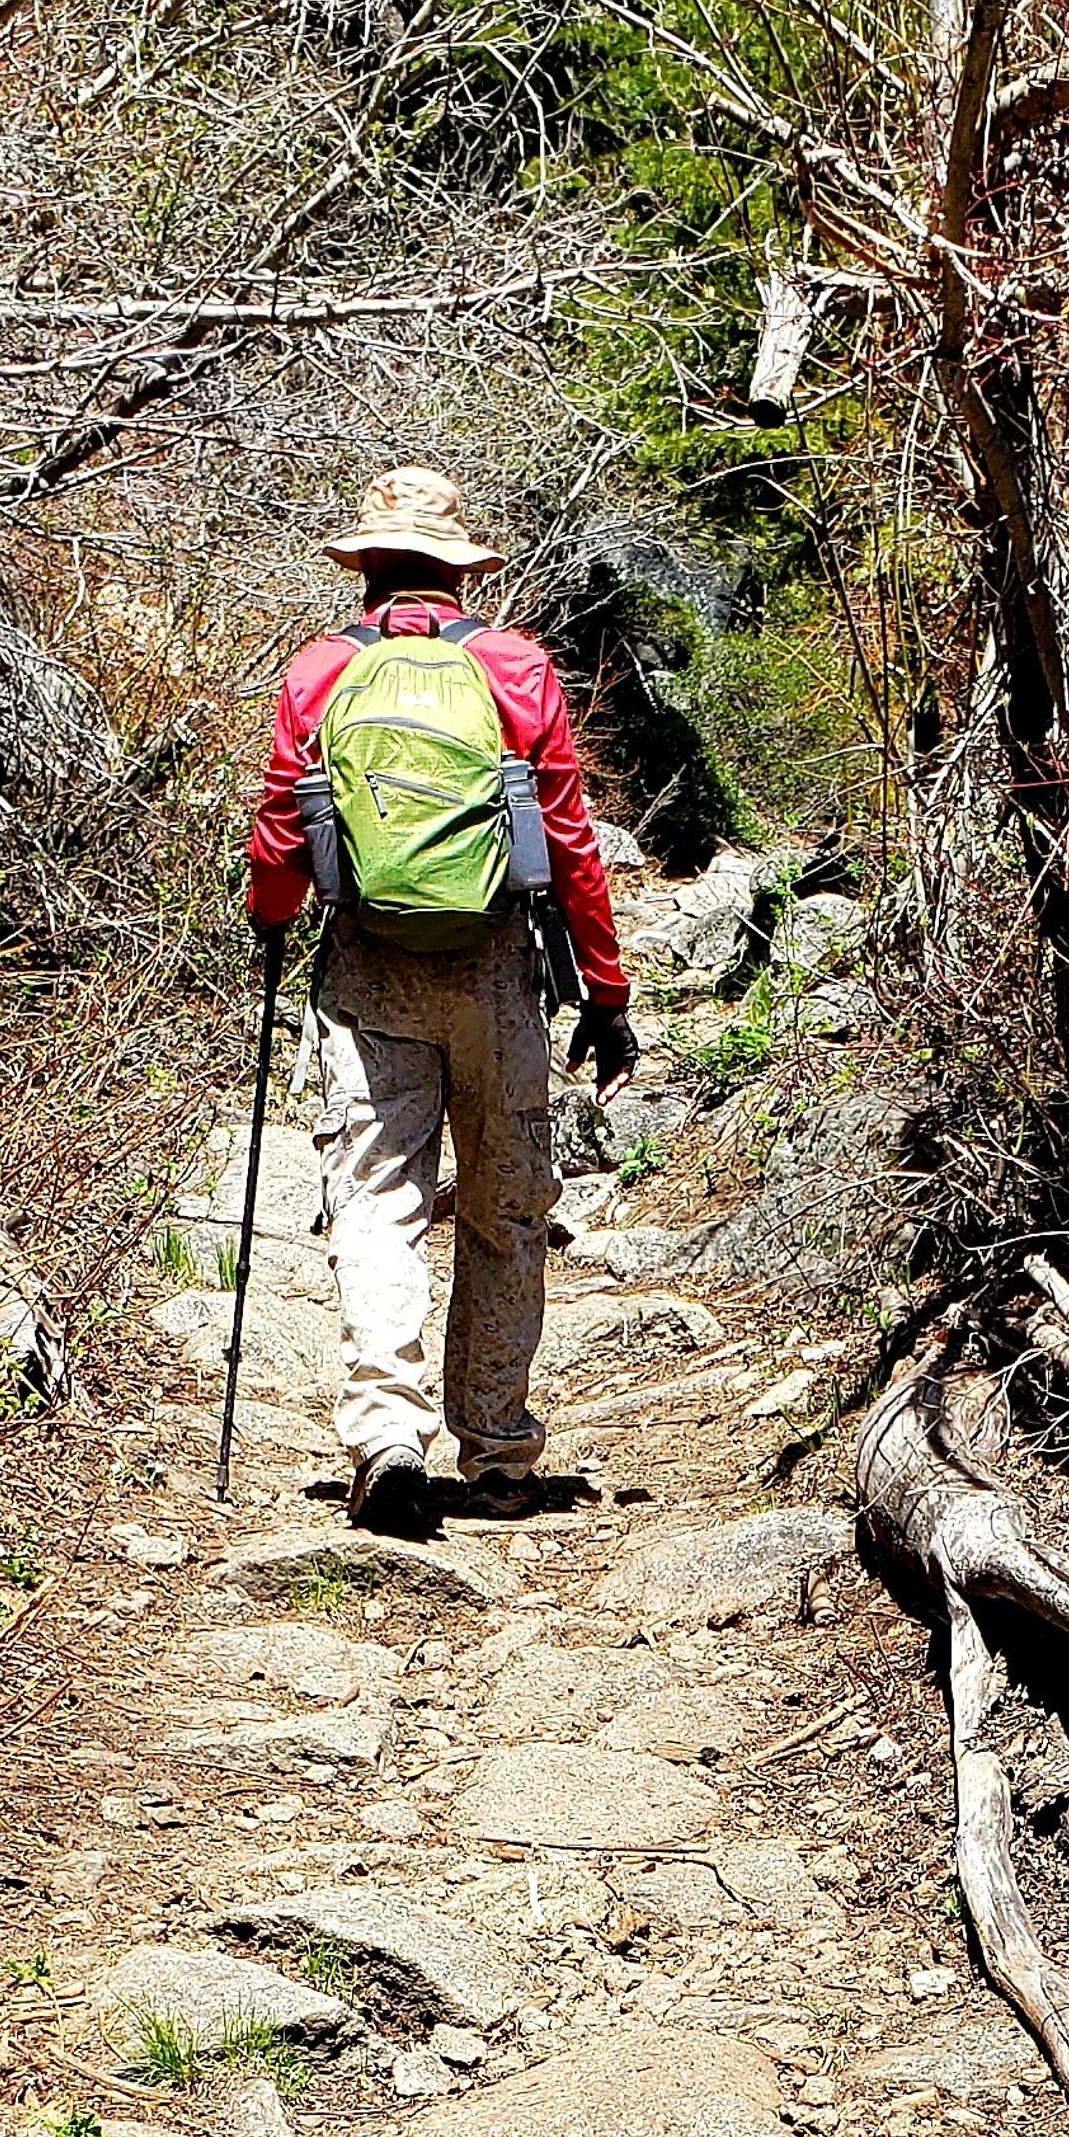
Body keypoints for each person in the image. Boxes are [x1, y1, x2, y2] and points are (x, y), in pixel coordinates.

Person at [243, 467, 637, 1539]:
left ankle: (386, 1434)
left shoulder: (322, 670)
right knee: (507, 1201)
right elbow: (568, 842)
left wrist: (270, 912)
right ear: (463, 570)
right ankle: (501, 1449)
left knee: (377, 1193)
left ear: (364, 566)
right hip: (499, 967)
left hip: (370, 964)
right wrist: (605, 992)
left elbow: (284, 827)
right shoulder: (512, 666)